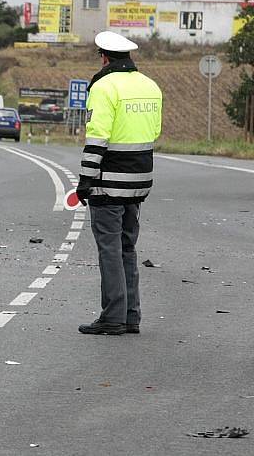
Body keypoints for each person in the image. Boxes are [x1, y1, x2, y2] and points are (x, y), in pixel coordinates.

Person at [76, 31, 163, 336]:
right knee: (127, 247)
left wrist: (86, 179)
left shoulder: (104, 86)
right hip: (140, 181)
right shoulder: (150, 86)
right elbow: (154, 132)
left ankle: (112, 316)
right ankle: (131, 316)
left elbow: (97, 137)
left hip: (109, 182)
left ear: (104, 57)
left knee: (109, 249)